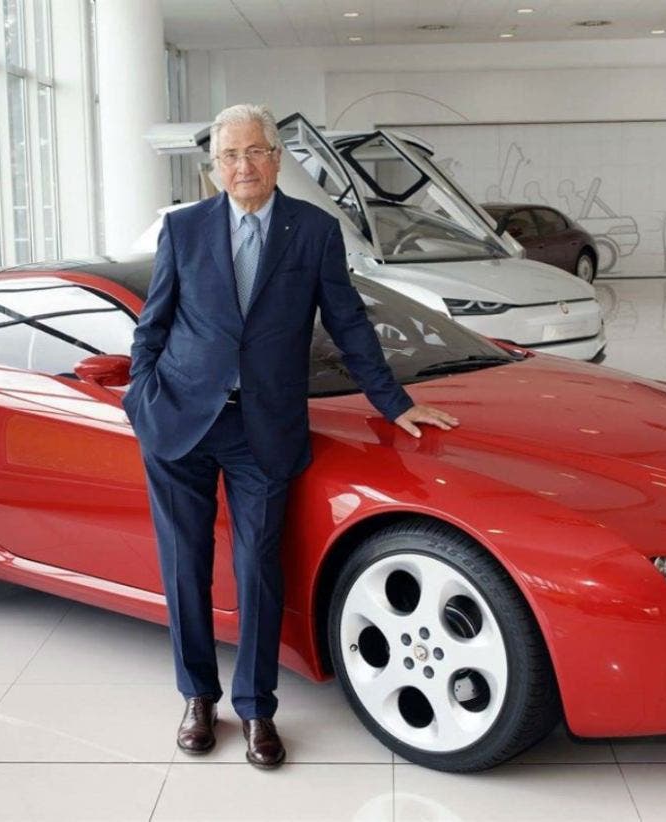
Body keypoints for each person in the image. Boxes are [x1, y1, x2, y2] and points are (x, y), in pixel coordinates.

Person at [123, 103, 458, 769]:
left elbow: (348, 321)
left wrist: (393, 402)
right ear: (213, 169)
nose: (242, 166)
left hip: (264, 427)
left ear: (277, 158)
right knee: (184, 565)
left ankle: (257, 707)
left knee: (258, 568)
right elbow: (153, 323)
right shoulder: (183, 229)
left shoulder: (313, 230)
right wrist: (142, 396)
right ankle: (197, 697)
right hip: (180, 420)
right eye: (229, 156)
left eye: (254, 151)